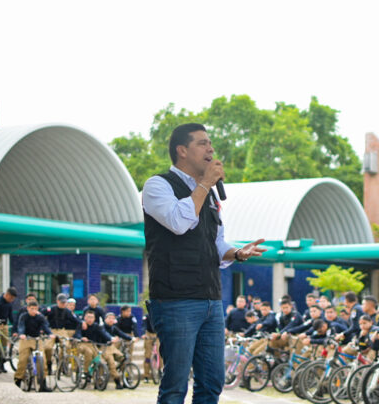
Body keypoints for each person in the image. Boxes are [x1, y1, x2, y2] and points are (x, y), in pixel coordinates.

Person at [142, 123, 266, 404]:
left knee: (211, 383)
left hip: (211, 299)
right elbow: (178, 222)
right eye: (202, 143)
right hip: (175, 300)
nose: (210, 149)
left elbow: (215, 243)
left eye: (211, 143)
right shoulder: (158, 185)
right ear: (182, 150)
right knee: (175, 386)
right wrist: (205, 184)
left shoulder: (208, 194)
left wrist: (236, 252)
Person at [74, 309, 124, 389]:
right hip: (82, 344)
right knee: (88, 352)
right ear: (85, 318)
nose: (90, 319)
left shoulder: (97, 326)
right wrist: (81, 337)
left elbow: (104, 333)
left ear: (94, 318)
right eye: (88, 317)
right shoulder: (81, 325)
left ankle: (98, 381)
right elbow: (77, 334)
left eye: (92, 317)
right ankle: (86, 372)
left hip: (94, 345)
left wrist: (111, 338)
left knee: (100, 361)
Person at [14, 301, 55, 390]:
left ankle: (43, 384)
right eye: (32, 309)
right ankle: (17, 381)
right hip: (26, 339)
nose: (33, 311)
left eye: (35, 309)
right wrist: (21, 334)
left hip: (37, 339)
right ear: (28, 308)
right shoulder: (24, 316)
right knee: (22, 360)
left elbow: (45, 326)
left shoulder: (40, 317)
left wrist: (50, 334)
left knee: (42, 360)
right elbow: (21, 326)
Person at [0, 286, 17, 370]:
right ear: (7, 295)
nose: (12, 300)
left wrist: (15, 324)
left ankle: (2, 365)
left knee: (4, 346)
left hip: (4, 325)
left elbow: (10, 315)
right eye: (11, 298)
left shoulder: (9, 303)